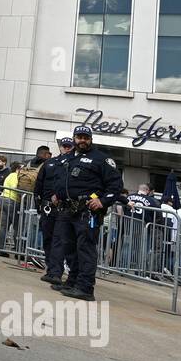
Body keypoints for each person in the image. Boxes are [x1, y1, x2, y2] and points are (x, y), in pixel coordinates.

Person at [48, 125, 125, 302]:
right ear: (74, 138)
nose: (82, 140)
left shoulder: (101, 159)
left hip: (87, 212)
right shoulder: (69, 158)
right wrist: (56, 194)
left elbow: (115, 185)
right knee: (69, 247)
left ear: (91, 139)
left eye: (86, 137)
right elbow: (62, 180)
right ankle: (73, 281)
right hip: (67, 210)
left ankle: (85, 287)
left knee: (85, 249)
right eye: (79, 137)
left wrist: (103, 201)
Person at [35, 136, 75, 284]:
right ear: (60, 147)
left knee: (59, 240)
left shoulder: (73, 163)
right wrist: (37, 204)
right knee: (47, 239)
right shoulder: (50, 163)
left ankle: (56, 273)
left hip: (63, 208)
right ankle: (51, 269)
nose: (66, 148)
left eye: (69, 146)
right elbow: (39, 184)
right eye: (64, 146)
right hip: (47, 207)